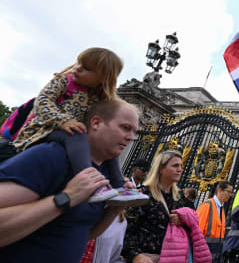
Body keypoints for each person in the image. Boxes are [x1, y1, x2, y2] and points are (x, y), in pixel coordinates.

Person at [0, 99, 139, 263]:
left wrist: (114, 210)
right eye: (125, 128)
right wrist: (67, 198)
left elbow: (81, 233)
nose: (130, 137)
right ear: (96, 123)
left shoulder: (107, 173)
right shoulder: (51, 156)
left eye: (134, 131)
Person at [12, 47, 146, 205]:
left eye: (87, 68)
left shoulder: (98, 98)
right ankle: (90, 183)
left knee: (110, 143)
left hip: (70, 133)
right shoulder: (63, 81)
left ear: (102, 78)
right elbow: (42, 102)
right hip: (41, 130)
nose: (77, 68)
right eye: (79, 63)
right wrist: (62, 121)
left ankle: (118, 185)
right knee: (77, 134)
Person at [122, 150, 187, 263]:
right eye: (175, 165)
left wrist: (183, 220)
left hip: (170, 257)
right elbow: (127, 228)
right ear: (161, 169)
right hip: (145, 257)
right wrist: (134, 255)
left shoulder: (179, 197)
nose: (180, 169)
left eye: (181, 166)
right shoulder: (143, 193)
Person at [197, 180, 234, 262]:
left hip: (215, 253)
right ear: (220, 190)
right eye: (228, 192)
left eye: (231, 192)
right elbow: (197, 230)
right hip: (204, 252)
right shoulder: (207, 205)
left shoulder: (221, 209)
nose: (230, 195)